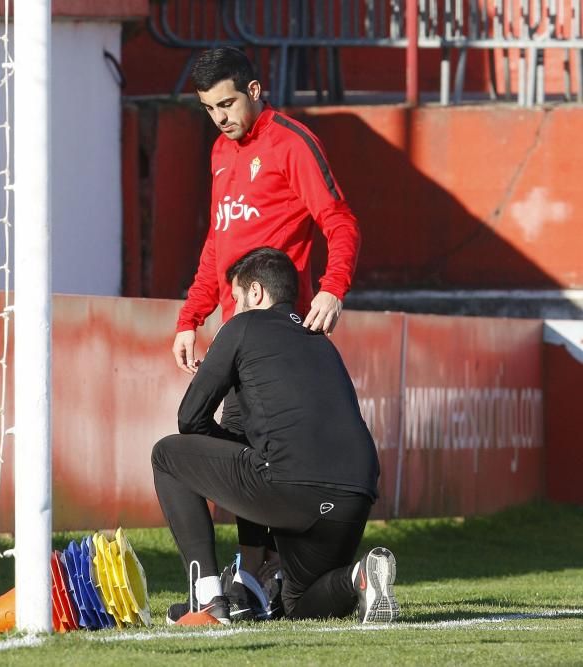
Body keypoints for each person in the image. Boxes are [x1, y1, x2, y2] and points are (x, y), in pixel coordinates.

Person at [169, 46, 364, 587]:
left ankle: (252, 578)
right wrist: (191, 316)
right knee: (238, 449)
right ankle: (260, 577)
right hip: (234, 334)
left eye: (228, 103)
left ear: (254, 90)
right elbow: (218, 243)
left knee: (233, 446)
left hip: (277, 337)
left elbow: (339, 220)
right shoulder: (219, 153)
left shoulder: (292, 142)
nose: (221, 117)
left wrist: (332, 289)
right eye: (210, 109)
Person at [152, 247, 399, 624]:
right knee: (299, 604)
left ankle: (205, 598)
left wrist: (227, 454)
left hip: (291, 485)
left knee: (167, 456)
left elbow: (190, 418)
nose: (232, 309)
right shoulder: (321, 340)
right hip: (356, 493)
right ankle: (358, 576)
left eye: (235, 299)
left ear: (256, 293)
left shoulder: (241, 327)